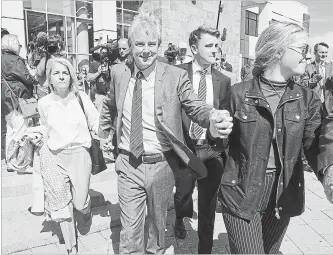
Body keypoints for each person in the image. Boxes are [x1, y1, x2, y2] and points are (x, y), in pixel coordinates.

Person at [98, 7, 233, 254]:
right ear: (130, 45)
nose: (146, 50)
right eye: (139, 43)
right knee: (129, 233)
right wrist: (104, 130)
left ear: (159, 45)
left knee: (157, 230)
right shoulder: (119, 72)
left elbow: (194, 106)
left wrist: (212, 117)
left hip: (161, 164)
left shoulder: (175, 76)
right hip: (129, 163)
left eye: (152, 43)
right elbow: (110, 103)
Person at [218, 21, 329, 254]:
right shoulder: (239, 93)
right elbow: (218, 146)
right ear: (279, 50)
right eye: (302, 50)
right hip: (241, 191)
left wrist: (328, 172)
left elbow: (314, 143)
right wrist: (213, 131)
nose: (307, 57)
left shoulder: (306, 98)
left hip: (282, 190)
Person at [173, 26, 231, 254]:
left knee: (207, 206)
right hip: (185, 149)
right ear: (194, 48)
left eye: (217, 46)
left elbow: (225, 113)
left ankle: (204, 250)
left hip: (212, 149)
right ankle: (180, 216)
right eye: (209, 45)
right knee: (182, 195)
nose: (215, 50)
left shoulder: (224, 80)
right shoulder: (176, 73)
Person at [37, 57, 99, 254]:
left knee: (79, 202)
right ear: (50, 78)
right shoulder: (44, 103)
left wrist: (106, 132)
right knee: (63, 204)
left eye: (65, 72)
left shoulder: (81, 98)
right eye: (56, 73)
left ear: (70, 76)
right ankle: (72, 247)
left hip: (80, 154)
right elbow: (46, 127)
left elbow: (95, 121)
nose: (61, 76)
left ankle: (86, 210)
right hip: (55, 155)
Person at [1, 34, 38, 169]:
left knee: (11, 130)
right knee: (21, 131)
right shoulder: (15, 60)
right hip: (17, 99)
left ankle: (10, 162)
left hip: (5, 100)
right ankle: (21, 164)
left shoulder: (2, 58)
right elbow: (27, 77)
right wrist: (36, 80)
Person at [87, 46, 111, 111]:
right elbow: (88, 78)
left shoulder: (111, 64)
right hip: (100, 95)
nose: (104, 55)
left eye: (106, 53)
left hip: (110, 95)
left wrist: (108, 72)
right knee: (99, 117)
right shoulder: (95, 64)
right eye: (102, 53)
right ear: (100, 53)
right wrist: (98, 73)